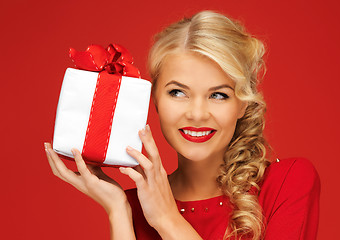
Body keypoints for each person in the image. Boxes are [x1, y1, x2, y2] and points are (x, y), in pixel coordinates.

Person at [44, 10, 320, 240]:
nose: (197, 114)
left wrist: (167, 220)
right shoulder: (135, 205)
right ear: (154, 100)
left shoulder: (287, 183)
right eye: (178, 92)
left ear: (243, 103)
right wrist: (118, 209)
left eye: (218, 95)